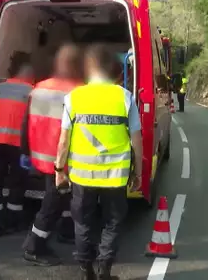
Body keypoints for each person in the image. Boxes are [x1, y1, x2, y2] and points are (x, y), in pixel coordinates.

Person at [54, 44, 143, 280]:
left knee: (82, 222)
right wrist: (139, 174)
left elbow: (63, 140)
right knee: (113, 222)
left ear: (89, 67)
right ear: (112, 68)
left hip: (82, 176)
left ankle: (86, 271)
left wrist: (59, 169)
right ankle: (104, 269)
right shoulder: (125, 97)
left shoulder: (74, 98)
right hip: (115, 175)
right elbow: (137, 140)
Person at [20, 43, 85, 266]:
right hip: (64, 160)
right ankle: (33, 246)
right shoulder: (79, 91)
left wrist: (25, 152)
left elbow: (25, 123)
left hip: (42, 158)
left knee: (60, 198)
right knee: (53, 203)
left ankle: (61, 234)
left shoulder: (38, 88)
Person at [0, 51, 34, 237]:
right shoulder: (31, 91)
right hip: (17, 145)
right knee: (17, 182)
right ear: (26, 71)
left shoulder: (0, 88)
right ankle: (14, 221)